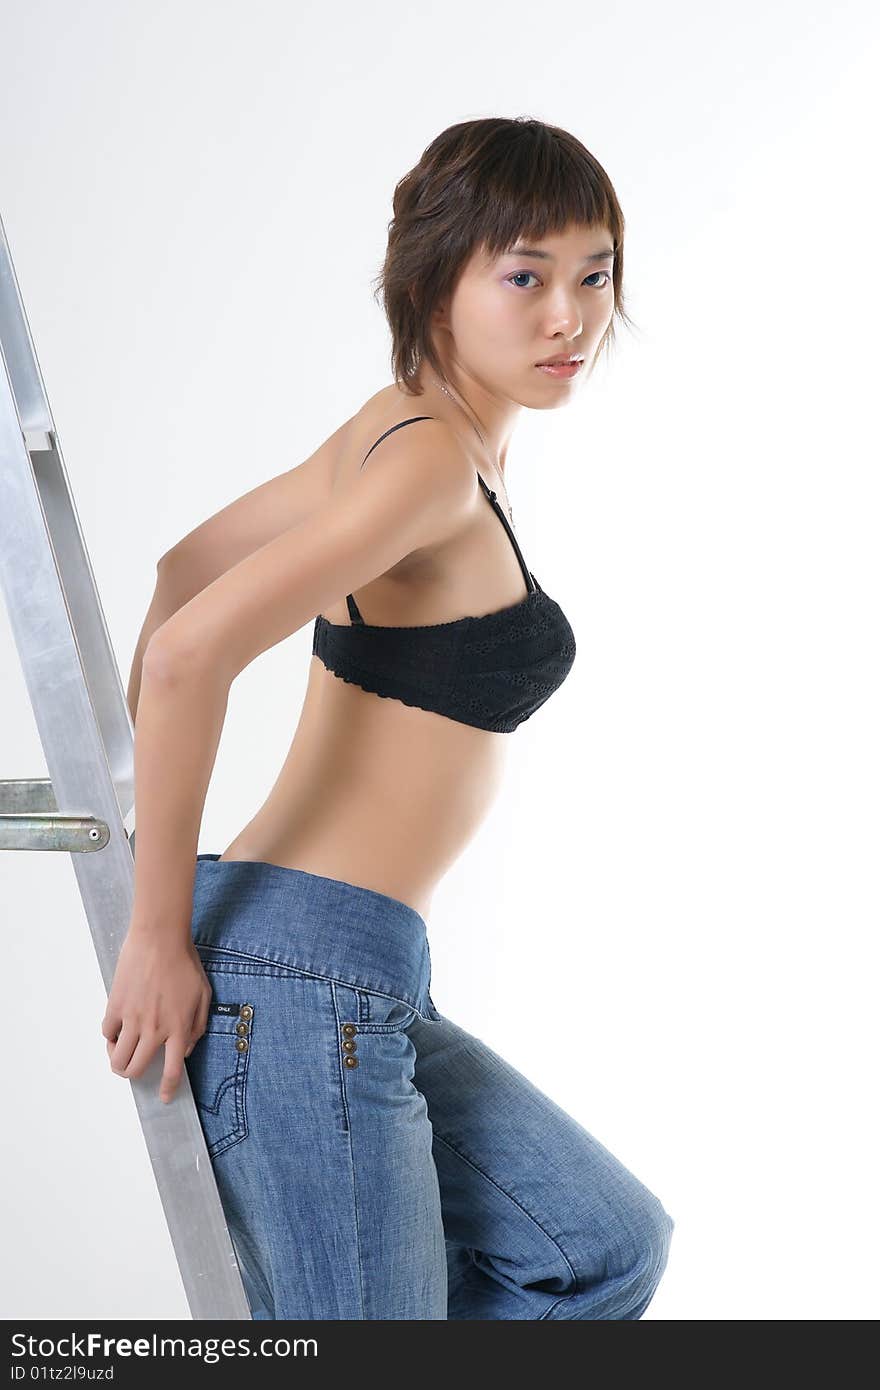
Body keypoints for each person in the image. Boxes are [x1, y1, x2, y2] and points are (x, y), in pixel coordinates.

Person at [104, 116, 675, 1319]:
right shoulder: (421, 462)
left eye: (594, 274)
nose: (568, 316)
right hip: (300, 972)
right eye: (524, 275)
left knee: (601, 1244)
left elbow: (178, 570)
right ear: (435, 280)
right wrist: (152, 931)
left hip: (353, 967)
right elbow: (187, 652)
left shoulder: (409, 433)